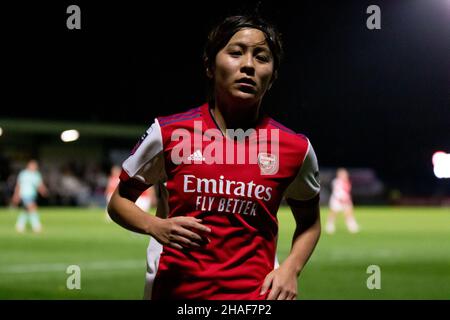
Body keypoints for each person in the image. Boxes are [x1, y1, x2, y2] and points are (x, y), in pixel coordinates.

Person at [108, 14, 321, 300]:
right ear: (209, 66)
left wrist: (291, 269)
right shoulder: (169, 132)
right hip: (176, 294)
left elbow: (310, 222)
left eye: (262, 57)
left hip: (255, 298)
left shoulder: (295, 148)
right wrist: (155, 226)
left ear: (272, 77)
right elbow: (119, 202)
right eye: (236, 53)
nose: (248, 65)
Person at [11, 159, 48, 233]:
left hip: (32, 194)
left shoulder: (36, 174)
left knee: (26, 210)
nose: (34, 167)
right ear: (28, 165)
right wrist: (16, 195)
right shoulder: (23, 174)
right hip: (24, 194)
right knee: (32, 208)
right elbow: (18, 185)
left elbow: (39, 184)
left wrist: (43, 191)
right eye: (32, 165)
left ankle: (19, 225)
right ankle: (36, 226)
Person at [325, 168, 359, 234]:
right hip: (337, 200)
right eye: (343, 174)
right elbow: (337, 191)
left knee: (349, 213)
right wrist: (341, 199)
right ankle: (329, 226)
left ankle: (351, 226)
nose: (345, 175)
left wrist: (347, 199)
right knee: (333, 213)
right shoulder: (336, 182)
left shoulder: (347, 181)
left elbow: (347, 192)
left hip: (346, 200)